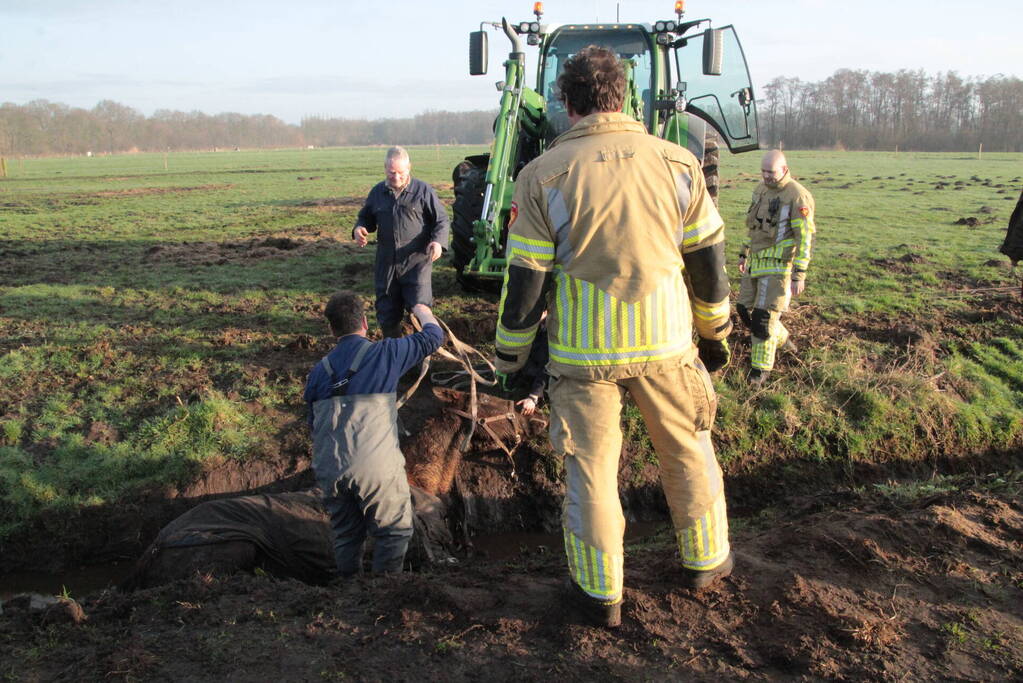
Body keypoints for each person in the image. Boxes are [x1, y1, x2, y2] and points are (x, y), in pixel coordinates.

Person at [493, 46, 734, 628]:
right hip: (667, 346)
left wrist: (511, 358)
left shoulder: (541, 175)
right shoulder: (680, 164)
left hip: (583, 358)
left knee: (593, 474)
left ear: (567, 102)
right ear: (624, 96)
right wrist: (715, 332)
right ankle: (706, 563)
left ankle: (600, 597)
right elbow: (708, 262)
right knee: (688, 451)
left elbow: (525, 284)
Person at [304, 291, 444, 575]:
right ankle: (383, 592)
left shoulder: (318, 372)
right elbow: (433, 338)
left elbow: (312, 424)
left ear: (331, 328)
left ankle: (350, 591)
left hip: (330, 468)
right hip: (375, 467)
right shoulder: (386, 352)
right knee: (393, 531)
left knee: (346, 535)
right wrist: (423, 311)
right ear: (365, 323)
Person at [737, 150, 817, 385]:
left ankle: (759, 372)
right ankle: (784, 341)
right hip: (755, 263)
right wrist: (744, 253)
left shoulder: (798, 196)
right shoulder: (760, 190)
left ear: (784, 169)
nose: (766, 176)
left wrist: (799, 274)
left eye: (770, 172)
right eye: (763, 171)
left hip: (780, 268)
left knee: (763, 319)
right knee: (744, 309)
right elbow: (751, 227)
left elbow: (805, 238)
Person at [353, 146, 450, 338]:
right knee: (387, 312)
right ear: (385, 169)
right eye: (391, 173)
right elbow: (365, 218)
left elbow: (441, 220)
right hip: (387, 263)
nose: (396, 178)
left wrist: (438, 242)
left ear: (409, 168)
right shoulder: (378, 192)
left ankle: (423, 356)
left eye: (401, 173)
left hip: (417, 261)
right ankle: (395, 354)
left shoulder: (423, 191)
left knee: (420, 309)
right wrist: (359, 228)